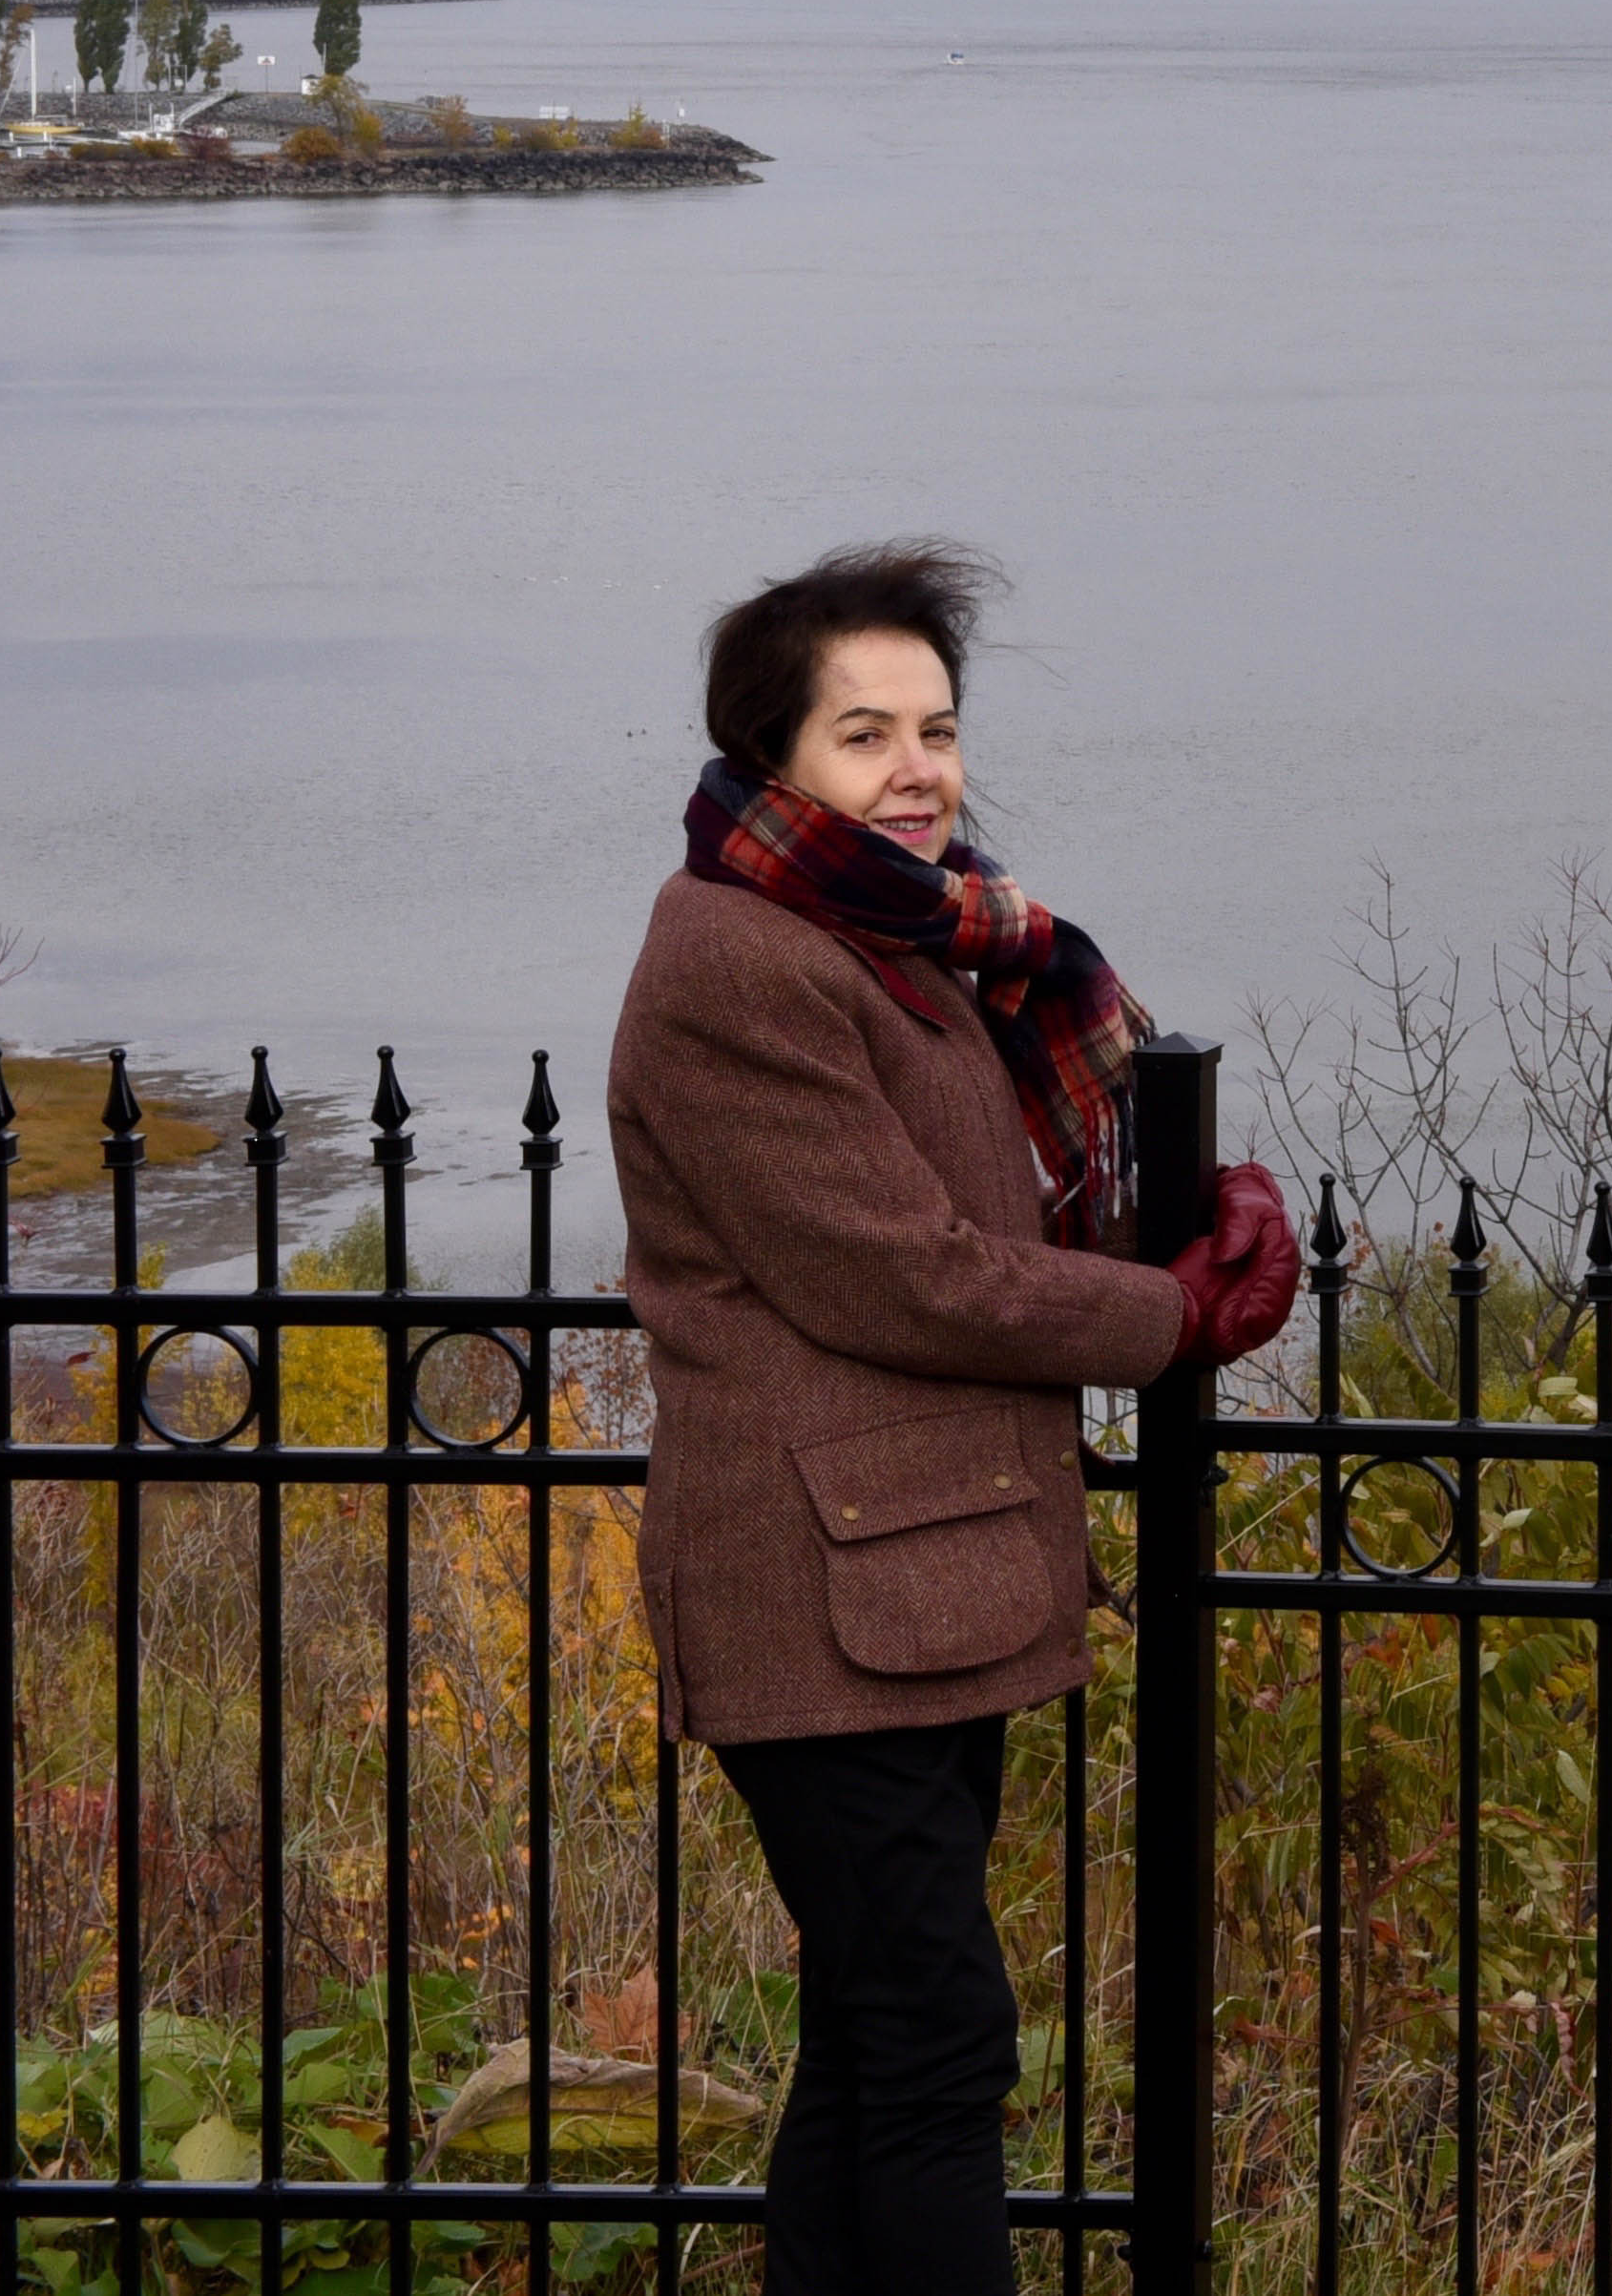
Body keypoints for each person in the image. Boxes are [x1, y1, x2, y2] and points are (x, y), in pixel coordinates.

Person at [608, 542, 1300, 2296]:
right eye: (865, 735)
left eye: (936, 727)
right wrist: (1171, 1313)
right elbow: (900, 1274)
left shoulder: (919, 934)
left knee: (872, 2035)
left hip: (919, 1579)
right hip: (817, 1589)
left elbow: (1002, 1192)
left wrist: (1176, 1213)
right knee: (937, 2041)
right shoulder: (739, 959)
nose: (917, 769)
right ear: (770, 757)